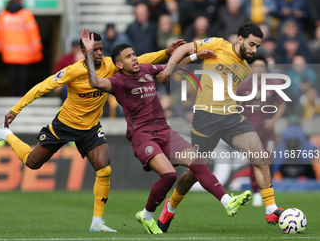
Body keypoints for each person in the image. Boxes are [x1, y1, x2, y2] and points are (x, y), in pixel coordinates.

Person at [0, 31, 185, 232]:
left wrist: (166, 52)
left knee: (104, 168)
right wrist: (15, 110)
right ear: (83, 51)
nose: (99, 53)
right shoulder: (72, 71)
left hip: (90, 129)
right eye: (94, 50)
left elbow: (142, 59)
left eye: (101, 49)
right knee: (33, 163)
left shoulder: (110, 66)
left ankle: (97, 222)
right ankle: (5, 134)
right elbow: (42, 87)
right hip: (64, 126)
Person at [81, 28, 252, 234]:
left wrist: (197, 55)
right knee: (169, 175)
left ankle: (227, 202)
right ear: (119, 64)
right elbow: (94, 82)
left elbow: (172, 68)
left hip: (164, 131)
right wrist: (90, 54)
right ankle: (147, 215)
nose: (134, 59)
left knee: (198, 164)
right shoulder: (118, 82)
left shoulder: (145, 69)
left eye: (134, 54)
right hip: (143, 137)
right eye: (128, 57)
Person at [156, 22, 285, 231]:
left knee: (260, 155)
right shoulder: (217, 44)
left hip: (231, 117)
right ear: (240, 39)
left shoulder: (245, 69)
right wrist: (169, 70)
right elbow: (183, 49)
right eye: (251, 44)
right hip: (205, 118)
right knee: (197, 169)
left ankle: (271, 209)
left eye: (257, 47)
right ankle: (169, 208)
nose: (254, 50)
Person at [237, 55, 286, 206]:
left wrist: (273, 120)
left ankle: (266, 192)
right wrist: (242, 118)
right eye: (256, 66)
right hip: (251, 130)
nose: (259, 69)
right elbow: (236, 106)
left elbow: (282, 104)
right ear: (251, 68)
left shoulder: (273, 85)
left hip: (267, 131)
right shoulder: (243, 86)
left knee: (267, 162)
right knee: (255, 161)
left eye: (262, 66)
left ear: (266, 69)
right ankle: (257, 193)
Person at [0, 0, 43, 96]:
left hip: (8, 53)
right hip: (25, 53)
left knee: (11, 75)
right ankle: (21, 96)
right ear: (21, 2)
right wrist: (37, 49)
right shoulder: (26, 15)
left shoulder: (2, 15)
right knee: (22, 77)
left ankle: (12, 95)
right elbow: (33, 33)